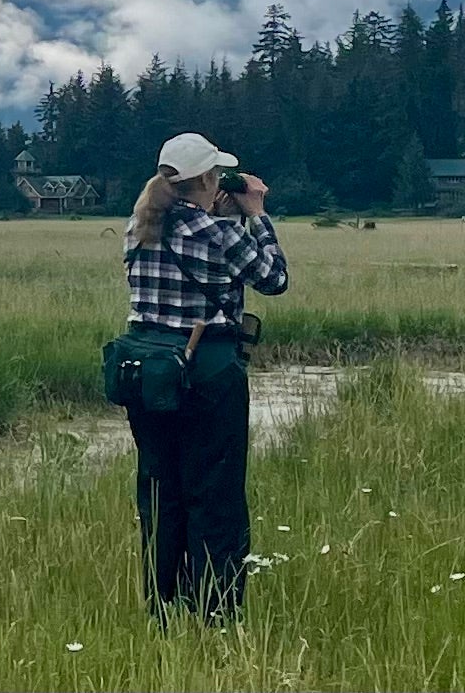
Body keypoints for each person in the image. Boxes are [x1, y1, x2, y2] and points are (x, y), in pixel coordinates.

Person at [120, 131, 290, 624]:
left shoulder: (139, 225)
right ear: (209, 179)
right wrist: (256, 212)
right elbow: (274, 279)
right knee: (214, 495)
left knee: (161, 493)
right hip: (207, 370)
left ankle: (163, 608)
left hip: (147, 373)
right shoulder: (217, 232)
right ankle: (216, 613)